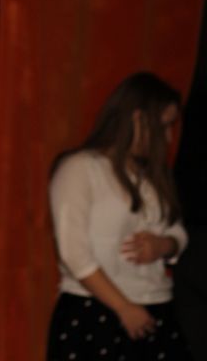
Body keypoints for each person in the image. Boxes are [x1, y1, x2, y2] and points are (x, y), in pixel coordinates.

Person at [47, 72, 193, 361]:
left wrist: (164, 245)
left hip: (156, 305)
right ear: (138, 119)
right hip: (96, 310)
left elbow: (177, 230)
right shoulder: (81, 168)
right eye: (163, 126)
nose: (168, 138)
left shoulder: (152, 175)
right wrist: (124, 308)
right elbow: (74, 253)